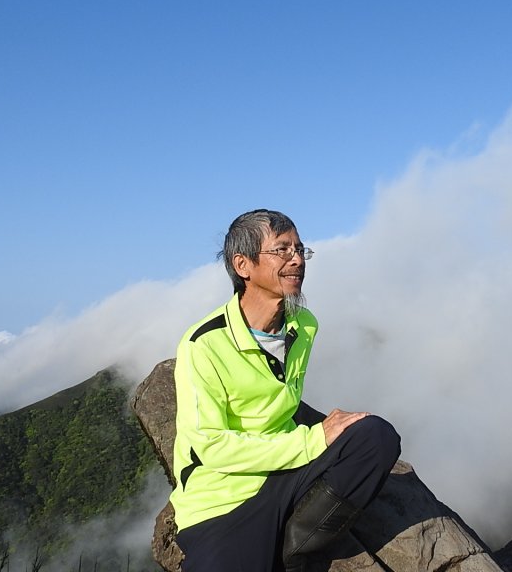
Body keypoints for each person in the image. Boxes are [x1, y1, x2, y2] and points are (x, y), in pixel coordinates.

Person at [170, 209, 401, 571]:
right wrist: (313, 440)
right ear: (243, 265)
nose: (297, 259)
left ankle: (298, 547)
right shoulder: (204, 344)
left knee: (375, 437)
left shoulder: (302, 324)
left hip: (287, 469)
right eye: (282, 250)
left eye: (300, 249)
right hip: (226, 498)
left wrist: (324, 434)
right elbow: (212, 447)